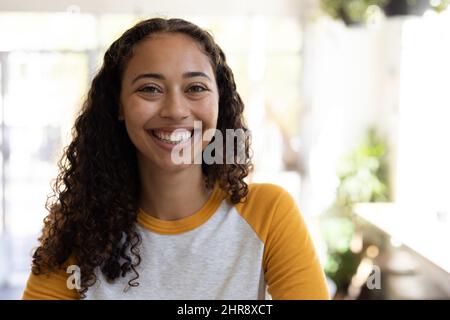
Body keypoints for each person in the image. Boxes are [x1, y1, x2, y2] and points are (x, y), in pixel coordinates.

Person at [22, 17, 329, 300]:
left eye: (195, 88)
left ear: (219, 102)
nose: (175, 110)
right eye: (150, 89)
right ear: (118, 105)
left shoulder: (269, 213)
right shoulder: (79, 223)